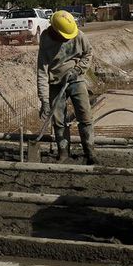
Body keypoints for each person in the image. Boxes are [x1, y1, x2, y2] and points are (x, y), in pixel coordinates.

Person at [37, 10, 96, 164]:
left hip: (76, 80)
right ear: (55, 30)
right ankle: (63, 152)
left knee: (85, 116)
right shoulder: (45, 39)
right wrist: (44, 101)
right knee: (58, 120)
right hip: (56, 84)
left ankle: (90, 151)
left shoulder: (78, 35)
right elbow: (42, 71)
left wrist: (78, 70)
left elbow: (88, 53)